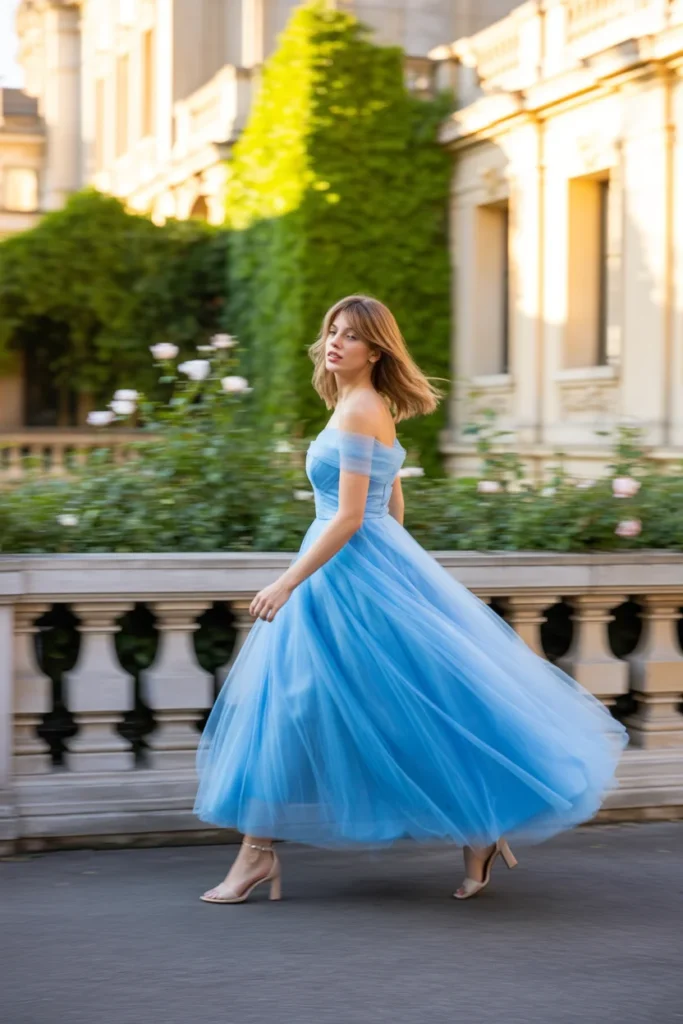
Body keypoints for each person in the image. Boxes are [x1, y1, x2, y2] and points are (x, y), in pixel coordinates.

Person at [194, 295, 628, 904]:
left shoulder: (360, 409)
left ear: (376, 350)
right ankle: (271, 852)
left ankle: (261, 856)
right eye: (332, 332)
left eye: (351, 335)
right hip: (355, 572)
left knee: (317, 707)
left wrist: (289, 580)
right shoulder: (362, 405)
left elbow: (347, 517)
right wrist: (392, 570)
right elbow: (391, 504)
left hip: (336, 571)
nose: (335, 342)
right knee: (342, 707)